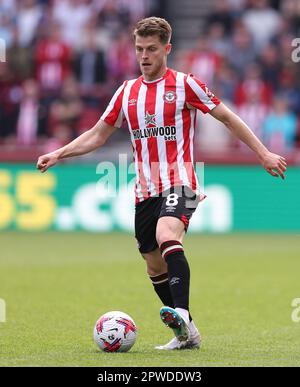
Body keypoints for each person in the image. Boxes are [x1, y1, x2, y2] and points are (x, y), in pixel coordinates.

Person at [37, 17, 287, 350]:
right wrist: (59, 153)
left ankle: (180, 312)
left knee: (166, 233)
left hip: (181, 181)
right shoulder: (126, 92)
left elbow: (227, 116)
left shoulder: (186, 85)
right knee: (153, 263)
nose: (144, 55)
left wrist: (263, 153)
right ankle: (187, 333)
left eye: (151, 49)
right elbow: (98, 135)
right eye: (139, 49)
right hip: (145, 190)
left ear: (166, 49)